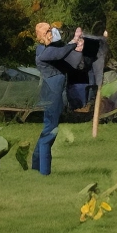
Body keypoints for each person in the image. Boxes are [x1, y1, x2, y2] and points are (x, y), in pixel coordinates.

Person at [32, 22, 83, 176]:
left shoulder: (47, 49)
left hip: (53, 94)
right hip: (52, 95)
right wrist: (74, 42)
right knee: (50, 131)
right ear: (42, 36)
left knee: (48, 129)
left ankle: (36, 165)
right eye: (49, 30)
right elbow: (59, 53)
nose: (52, 32)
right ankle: (44, 171)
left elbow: (60, 51)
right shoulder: (43, 52)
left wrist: (75, 42)